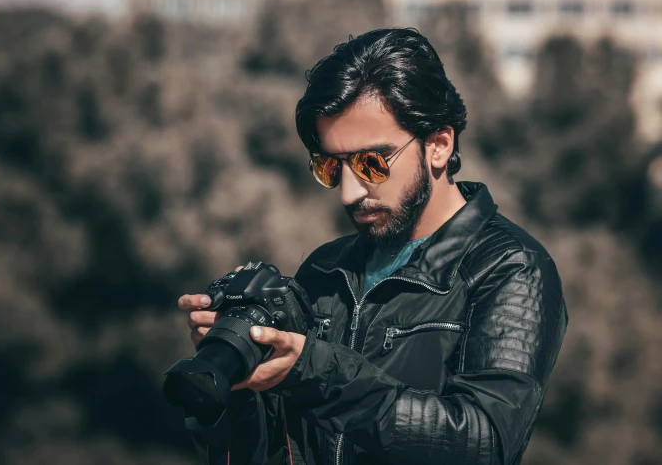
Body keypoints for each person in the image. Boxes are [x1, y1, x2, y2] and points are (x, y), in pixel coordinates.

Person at [178, 28, 568, 465]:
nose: (349, 192)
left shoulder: (510, 267)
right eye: (330, 166)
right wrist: (236, 376)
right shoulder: (324, 270)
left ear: (438, 145)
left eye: (371, 163)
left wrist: (317, 371)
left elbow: (484, 442)